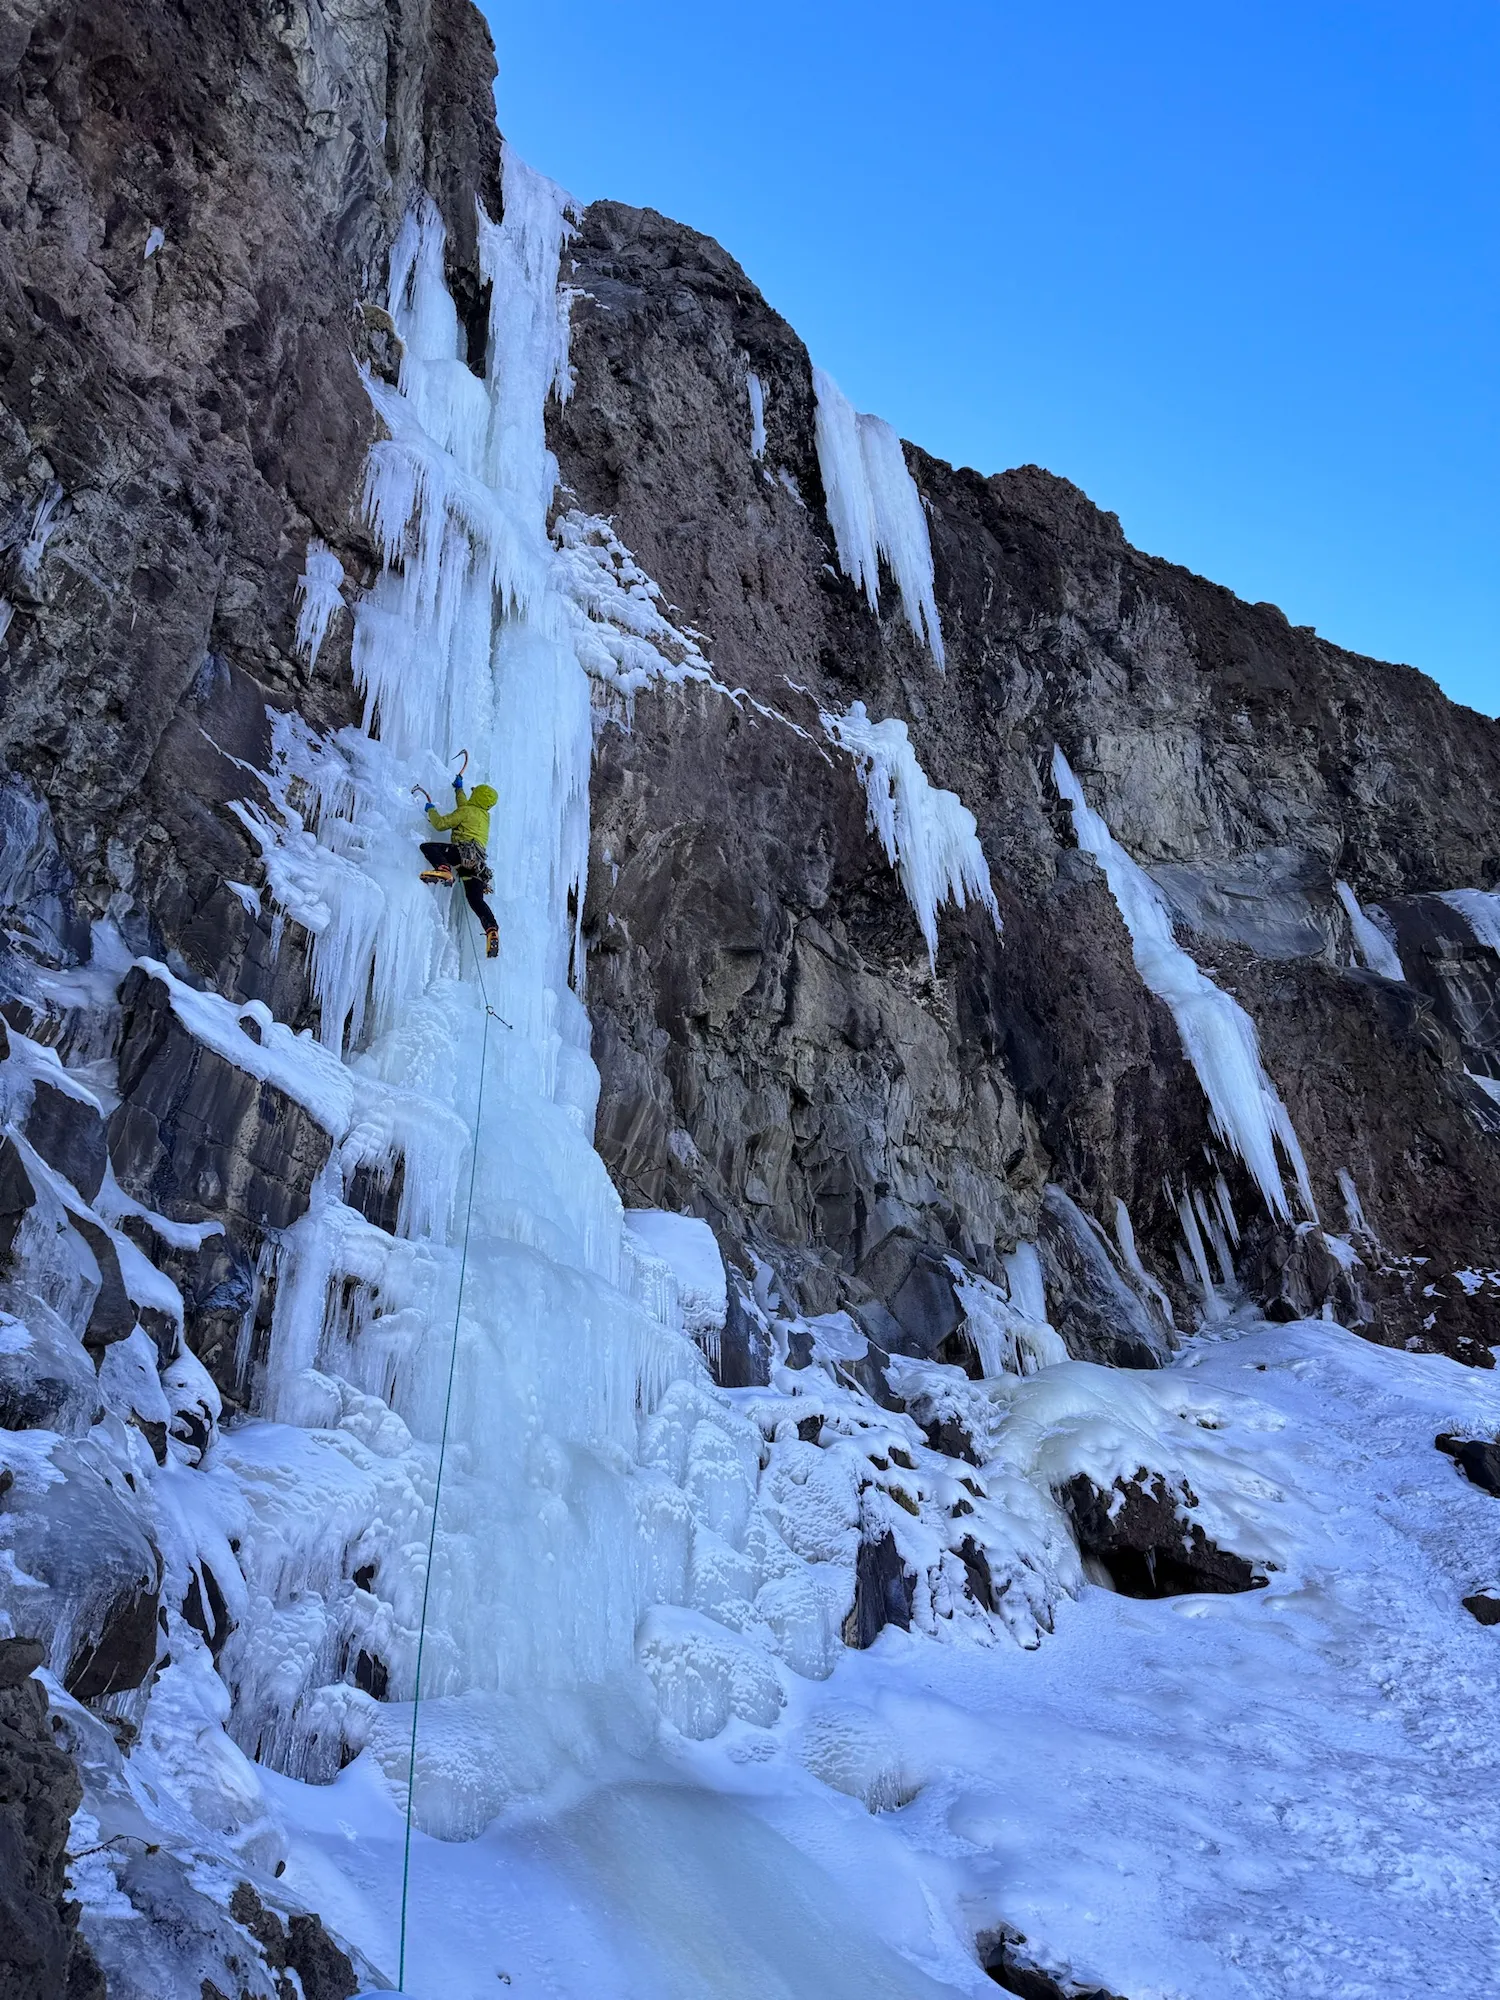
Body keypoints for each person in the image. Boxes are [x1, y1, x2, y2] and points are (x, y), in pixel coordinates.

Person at [419, 774, 500, 958]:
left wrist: (431, 810)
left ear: (477, 796)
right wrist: (458, 789)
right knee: (476, 900)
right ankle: (491, 929)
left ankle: (444, 870)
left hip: (463, 854)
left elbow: (440, 825)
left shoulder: (467, 812)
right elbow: (466, 806)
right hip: (478, 866)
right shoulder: (484, 816)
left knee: (428, 847)